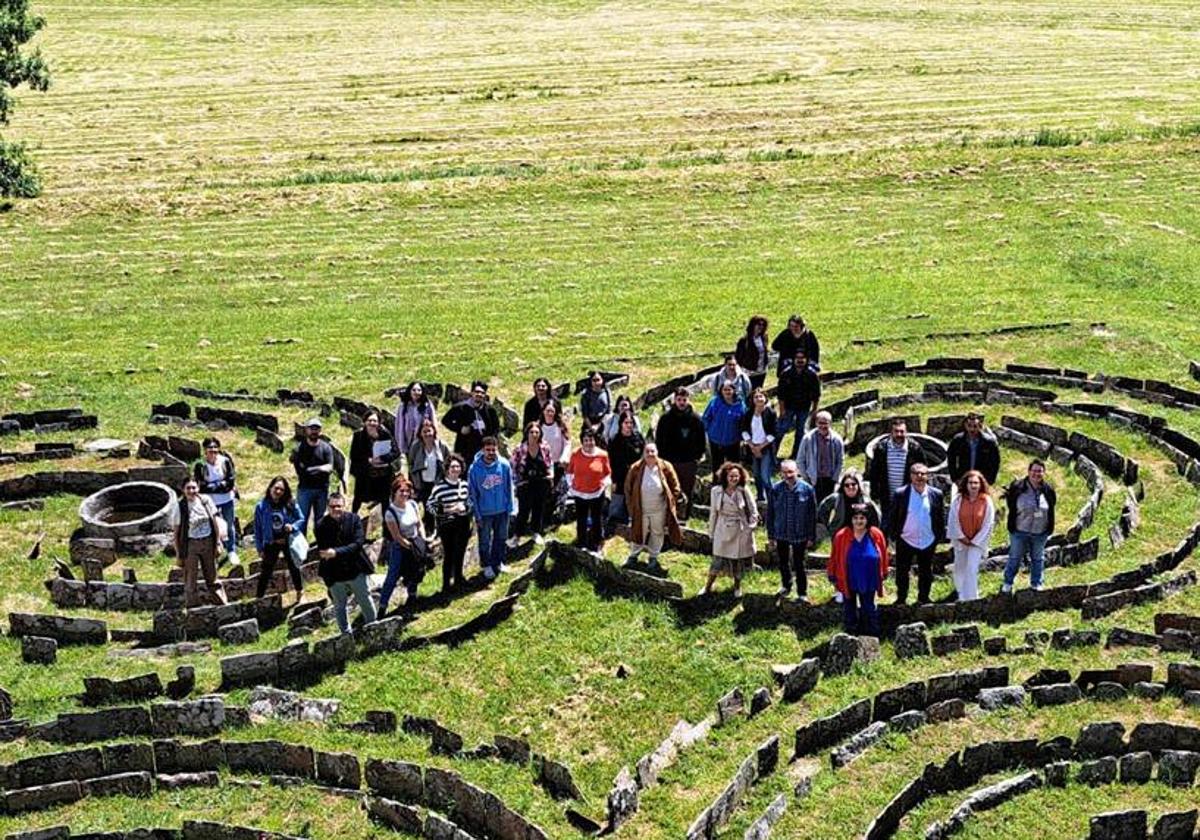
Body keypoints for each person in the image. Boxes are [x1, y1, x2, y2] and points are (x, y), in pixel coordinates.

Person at [314, 491, 377, 633]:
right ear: (328, 507)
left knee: (365, 600)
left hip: (355, 569)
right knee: (339, 605)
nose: (336, 509)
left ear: (344, 506)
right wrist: (340, 552)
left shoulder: (354, 519)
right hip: (334, 573)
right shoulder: (320, 525)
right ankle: (346, 633)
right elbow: (325, 551)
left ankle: (373, 628)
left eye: (339, 506)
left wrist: (336, 552)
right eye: (332, 506)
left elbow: (358, 543)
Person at [886, 463, 946, 605]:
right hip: (905, 539)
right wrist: (893, 536)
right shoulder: (900, 493)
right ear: (910, 476)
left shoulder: (936, 494)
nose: (919, 476)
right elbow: (893, 515)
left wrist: (938, 536)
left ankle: (923, 598)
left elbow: (939, 516)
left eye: (923, 474)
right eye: (916, 473)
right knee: (902, 571)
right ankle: (901, 598)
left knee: (926, 571)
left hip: (928, 539)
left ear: (928, 476)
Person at [827, 505, 890, 636]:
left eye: (862, 518)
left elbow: (884, 553)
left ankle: (871, 633)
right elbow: (834, 556)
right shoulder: (841, 535)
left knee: (868, 606)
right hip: (848, 577)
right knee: (849, 607)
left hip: (869, 578)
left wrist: (884, 572)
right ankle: (850, 634)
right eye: (855, 518)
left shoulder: (876, 534)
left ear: (868, 519)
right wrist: (832, 574)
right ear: (850, 519)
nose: (858, 521)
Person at [623, 442, 684, 570]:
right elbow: (628, 488)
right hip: (641, 509)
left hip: (659, 510)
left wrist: (671, 501)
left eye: (653, 451)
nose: (650, 454)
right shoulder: (636, 468)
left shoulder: (666, 467)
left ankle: (653, 557)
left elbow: (675, 486)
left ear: (657, 453)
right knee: (639, 532)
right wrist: (631, 506)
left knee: (658, 532)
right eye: (647, 451)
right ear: (643, 454)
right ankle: (633, 556)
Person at [702, 462, 757, 598]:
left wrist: (751, 526)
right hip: (722, 527)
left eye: (736, 476)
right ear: (725, 476)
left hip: (740, 529)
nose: (734, 479)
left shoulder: (744, 490)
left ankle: (737, 586)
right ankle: (707, 586)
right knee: (717, 560)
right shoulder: (716, 491)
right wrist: (711, 532)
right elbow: (713, 513)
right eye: (731, 476)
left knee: (737, 561)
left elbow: (753, 509)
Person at [1002, 459, 1057, 594]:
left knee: (1038, 558)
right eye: (1034, 470)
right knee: (1015, 557)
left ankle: (1036, 583)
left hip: (1040, 532)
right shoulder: (1018, 487)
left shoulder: (1048, 490)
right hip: (1020, 531)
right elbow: (1011, 505)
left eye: (1039, 471)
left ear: (1044, 473)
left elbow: (1051, 507)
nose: (1036, 474)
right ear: (1028, 472)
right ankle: (1008, 582)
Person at [767, 460, 817, 603]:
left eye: (791, 472)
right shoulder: (776, 489)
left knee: (799, 564)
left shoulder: (807, 489)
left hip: (800, 533)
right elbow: (770, 513)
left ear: (797, 472)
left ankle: (802, 592)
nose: (788, 475)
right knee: (783, 562)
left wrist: (811, 536)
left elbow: (812, 514)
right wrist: (771, 535)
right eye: (785, 472)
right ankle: (786, 585)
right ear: (781, 473)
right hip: (781, 532)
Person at [377, 477, 428, 617]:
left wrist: (422, 542)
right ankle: (382, 606)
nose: (405, 494)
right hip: (400, 546)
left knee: (416, 570)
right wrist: (410, 547)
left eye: (407, 491)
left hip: (415, 541)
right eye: (401, 491)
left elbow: (419, 524)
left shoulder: (412, 504)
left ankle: (412, 596)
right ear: (394, 492)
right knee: (392, 576)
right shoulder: (390, 513)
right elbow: (396, 536)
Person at [172, 477, 227, 608]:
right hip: (191, 544)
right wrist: (179, 553)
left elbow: (215, 522)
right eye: (188, 488)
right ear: (184, 490)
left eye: (194, 487)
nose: (191, 491)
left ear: (198, 488)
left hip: (208, 541)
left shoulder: (206, 501)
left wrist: (218, 541)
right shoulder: (180, 506)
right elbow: (176, 532)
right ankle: (193, 608)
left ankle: (221, 604)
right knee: (191, 578)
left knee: (212, 575)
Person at [467, 436, 515, 580]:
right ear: (482, 450)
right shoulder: (474, 469)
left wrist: (510, 506)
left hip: (502, 510)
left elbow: (509, 487)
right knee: (484, 540)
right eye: (488, 450)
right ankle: (486, 565)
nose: (491, 453)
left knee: (501, 538)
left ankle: (498, 562)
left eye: (493, 450)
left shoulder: (504, 465)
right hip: (484, 512)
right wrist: (477, 514)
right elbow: (472, 493)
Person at [252, 476, 306, 603]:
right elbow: (257, 528)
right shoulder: (261, 506)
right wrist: (259, 548)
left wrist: (292, 527)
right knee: (266, 570)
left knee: (294, 567)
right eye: (276, 488)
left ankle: (300, 592)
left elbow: (302, 519)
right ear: (270, 488)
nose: (278, 492)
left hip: (288, 541)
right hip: (271, 543)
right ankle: (259, 597)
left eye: (282, 490)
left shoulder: (290, 503)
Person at [655, 387, 707, 518]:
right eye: (679, 399)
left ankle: (685, 516)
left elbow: (701, 439)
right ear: (674, 400)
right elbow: (659, 440)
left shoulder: (696, 419)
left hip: (688, 461)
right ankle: (669, 515)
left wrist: (697, 456)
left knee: (686, 490)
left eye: (684, 400)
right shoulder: (665, 419)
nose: (682, 402)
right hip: (670, 461)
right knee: (669, 489)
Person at [867, 417, 927, 528]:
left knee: (905, 524)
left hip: (908, 495)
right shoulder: (881, 449)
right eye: (896, 431)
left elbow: (923, 470)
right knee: (886, 525)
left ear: (906, 432)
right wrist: (874, 492)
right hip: (887, 495)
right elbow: (874, 473)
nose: (899, 434)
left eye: (902, 431)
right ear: (891, 433)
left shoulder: (915, 449)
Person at [947, 470, 995, 601]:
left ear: (981, 484)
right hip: (961, 540)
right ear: (966, 484)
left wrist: (975, 540)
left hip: (977, 542)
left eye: (976, 483)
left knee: (972, 569)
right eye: (970, 483)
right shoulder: (958, 500)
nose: (973, 485)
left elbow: (988, 523)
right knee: (960, 567)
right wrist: (961, 537)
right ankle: (961, 593)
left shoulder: (986, 501)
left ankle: (972, 598)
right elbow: (953, 519)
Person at [427, 454, 472, 593]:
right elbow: (430, 506)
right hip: (447, 525)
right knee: (449, 553)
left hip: (463, 523)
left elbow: (470, 502)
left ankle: (459, 579)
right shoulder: (439, 487)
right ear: (447, 469)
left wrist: (466, 508)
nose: (455, 469)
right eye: (452, 466)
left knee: (460, 552)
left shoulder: (464, 485)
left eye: (458, 466)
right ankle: (446, 584)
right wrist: (449, 509)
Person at [193, 437, 239, 565]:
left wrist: (212, 486)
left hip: (227, 500)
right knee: (213, 527)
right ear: (205, 451)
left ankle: (231, 550)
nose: (213, 452)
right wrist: (220, 485)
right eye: (210, 449)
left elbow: (230, 483)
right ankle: (215, 552)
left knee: (229, 525)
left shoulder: (225, 462)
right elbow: (201, 486)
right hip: (210, 502)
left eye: (215, 449)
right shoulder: (200, 466)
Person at [567, 427, 611, 552]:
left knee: (597, 519)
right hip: (579, 493)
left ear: (594, 441)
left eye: (591, 440)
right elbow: (569, 472)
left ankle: (596, 543)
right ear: (582, 442)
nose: (588, 443)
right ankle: (581, 543)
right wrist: (571, 485)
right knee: (581, 519)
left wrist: (605, 483)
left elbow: (607, 473)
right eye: (586, 440)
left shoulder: (602, 455)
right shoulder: (575, 454)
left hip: (597, 493)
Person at [290, 418, 334, 535]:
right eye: (311, 428)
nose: (314, 431)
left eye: (317, 428)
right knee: (301, 520)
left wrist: (312, 469)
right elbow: (301, 472)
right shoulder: (299, 449)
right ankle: (301, 548)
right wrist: (321, 468)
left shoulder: (326, 447)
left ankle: (320, 546)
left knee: (320, 521)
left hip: (322, 489)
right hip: (305, 489)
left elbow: (330, 468)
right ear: (306, 430)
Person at [511, 421, 554, 540]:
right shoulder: (519, 449)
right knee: (523, 511)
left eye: (537, 432)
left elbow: (550, 463)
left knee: (538, 509)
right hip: (525, 484)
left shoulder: (545, 447)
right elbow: (513, 468)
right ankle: (517, 535)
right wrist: (517, 483)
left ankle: (536, 533)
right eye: (531, 432)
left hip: (541, 482)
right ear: (526, 433)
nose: (534, 435)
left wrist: (551, 476)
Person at [349, 410, 397, 513]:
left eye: (375, 421)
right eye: (369, 420)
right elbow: (354, 455)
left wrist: (383, 458)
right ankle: (353, 520)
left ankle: (386, 526)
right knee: (358, 499)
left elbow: (395, 451)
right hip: (365, 474)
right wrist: (368, 460)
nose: (372, 423)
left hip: (383, 475)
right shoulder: (358, 436)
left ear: (379, 423)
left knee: (385, 501)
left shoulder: (385, 434)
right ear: (365, 422)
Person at [777, 349, 821, 460]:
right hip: (789, 407)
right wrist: (782, 410)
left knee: (801, 432)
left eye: (802, 358)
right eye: (797, 358)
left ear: (806, 360)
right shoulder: (786, 373)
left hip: (804, 407)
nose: (800, 360)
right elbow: (781, 394)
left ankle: (796, 456)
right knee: (781, 429)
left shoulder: (812, 374)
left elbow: (816, 394)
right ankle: (773, 454)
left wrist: (815, 409)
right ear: (793, 359)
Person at [407, 418, 451, 530]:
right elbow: (411, 465)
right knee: (428, 507)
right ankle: (429, 529)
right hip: (422, 483)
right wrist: (411, 485)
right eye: (424, 431)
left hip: (437, 482)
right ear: (420, 433)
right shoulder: (415, 446)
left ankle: (440, 529)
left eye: (429, 431)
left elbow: (448, 462)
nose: (427, 434)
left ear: (434, 431)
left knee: (439, 507)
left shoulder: (442, 446)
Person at [605, 410, 645, 532]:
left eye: (631, 423)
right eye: (626, 422)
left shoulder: (638, 439)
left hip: (635, 477)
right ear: (621, 424)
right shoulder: (615, 441)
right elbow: (611, 462)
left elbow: (642, 458)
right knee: (618, 503)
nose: (628, 425)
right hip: (619, 477)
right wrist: (614, 480)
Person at [442, 381, 500, 461]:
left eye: (482, 393)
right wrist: (460, 428)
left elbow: (496, 428)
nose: (479, 394)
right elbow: (445, 420)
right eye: (477, 392)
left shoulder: (490, 410)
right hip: (464, 447)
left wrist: (491, 444)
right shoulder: (460, 407)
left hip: (483, 448)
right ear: (471, 393)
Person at [817, 468, 881, 539]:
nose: (850, 487)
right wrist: (828, 528)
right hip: (840, 536)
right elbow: (822, 509)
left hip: (860, 536)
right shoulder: (836, 498)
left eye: (853, 484)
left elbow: (877, 517)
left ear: (858, 485)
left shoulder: (865, 501)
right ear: (843, 486)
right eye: (847, 485)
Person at [740, 387, 778, 502]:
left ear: (765, 398)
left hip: (765, 447)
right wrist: (752, 446)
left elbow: (773, 433)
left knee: (765, 476)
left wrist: (760, 447)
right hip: (753, 447)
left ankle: (772, 497)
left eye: (761, 396)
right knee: (756, 474)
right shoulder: (749, 413)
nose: (758, 399)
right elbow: (744, 430)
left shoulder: (770, 413)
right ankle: (760, 496)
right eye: (756, 397)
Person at [797, 410, 844, 501]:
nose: (823, 426)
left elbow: (840, 460)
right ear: (816, 423)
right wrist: (806, 477)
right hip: (813, 480)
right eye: (820, 423)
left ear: (830, 423)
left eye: (825, 423)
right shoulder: (808, 439)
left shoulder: (837, 439)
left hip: (830, 480)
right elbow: (800, 460)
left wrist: (835, 478)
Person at [702, 382, 746, 478]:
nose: (727, 392)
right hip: (715, 439)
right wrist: (709, 430)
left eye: (729, 389)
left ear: (734, 390)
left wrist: (742, 437)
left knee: (734, 465)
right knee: (717, 465)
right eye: (725, 390)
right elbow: (706, 417)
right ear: (721, 391)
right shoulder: (715, 402)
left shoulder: (740, 405)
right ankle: (717, 484)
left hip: (733, 440)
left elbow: (743, 422)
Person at [947, 413, 1001, 485]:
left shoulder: (989, 442)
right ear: (965, 426)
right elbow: (951, 459)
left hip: (981, 479)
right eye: (969, 426)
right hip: (963, 478)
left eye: (975, 426)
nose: (972, 429)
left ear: (980, 426)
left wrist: (990, 480)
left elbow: (995, 462)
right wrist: (955, 478)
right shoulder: (958, 440)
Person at [394, 382, 437, 456]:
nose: (416, 392)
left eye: (419, 390)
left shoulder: (428, 405)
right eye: (414, 390)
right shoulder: (403, 406)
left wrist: (434, 439)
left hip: (423, 440)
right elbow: (399, 426)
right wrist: (401, 443)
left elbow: (434, 422)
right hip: (409, 441)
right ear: (410, 391)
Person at [539, 400, 572, 489]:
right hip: (543, 465)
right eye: (547, 411)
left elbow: (567, 443)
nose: (549, 414)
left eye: (552, 411)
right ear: (543, 411)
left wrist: (564, 457)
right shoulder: (539, 426)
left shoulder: (561, 426)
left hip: (558, 464)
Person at [734, 315, 770, 387]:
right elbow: (738, 357)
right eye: (758, 324)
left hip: (762, 371)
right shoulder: (744, 340)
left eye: (763, 325)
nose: (761, 327)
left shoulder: (764, 337)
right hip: (749, 371)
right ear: (753, 325)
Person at [579, 371, 613, 438]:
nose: (596, 383)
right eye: (594, 380)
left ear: (602, 380)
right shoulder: (586, 394)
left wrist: (599, 425)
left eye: (598, 380)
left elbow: (608, 411)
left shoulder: (606, 392)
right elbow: (584, 415)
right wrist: (591, 428)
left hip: (603, 422)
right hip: (589, 423)